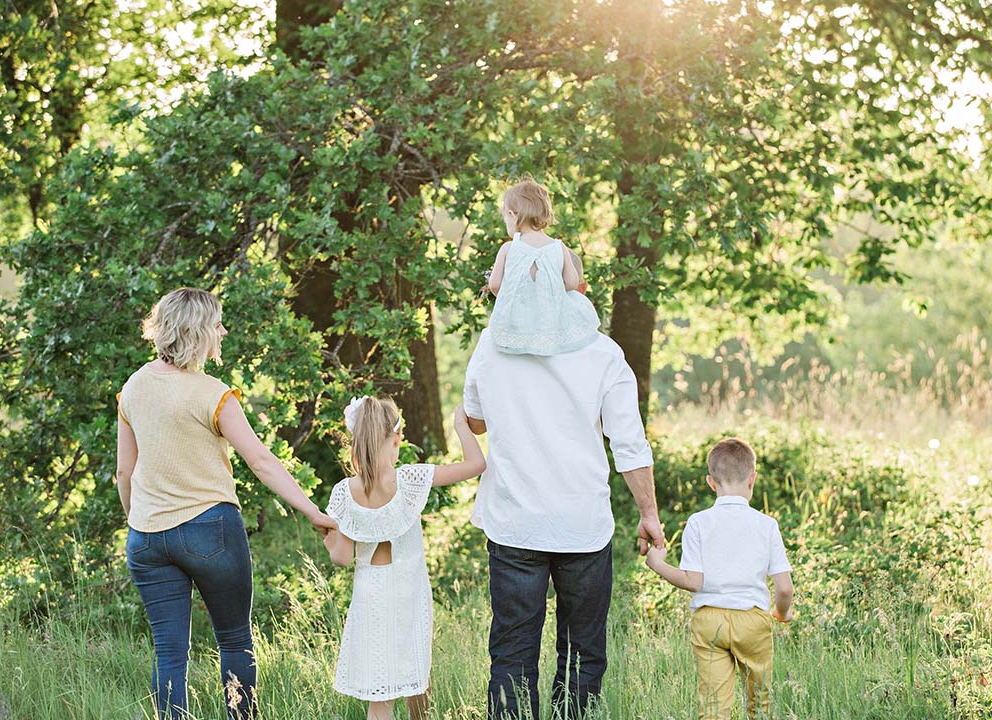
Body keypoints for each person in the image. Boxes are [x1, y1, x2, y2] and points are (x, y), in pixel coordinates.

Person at [116, 287, 336, 720]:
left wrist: (138, 524)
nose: (223, 331)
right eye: (217, 324)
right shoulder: (212, 393)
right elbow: (260, 460)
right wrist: (311, 510)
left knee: (169, 654)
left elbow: (125, 473)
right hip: (210, 529)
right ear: (197, 331)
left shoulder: (133, 388)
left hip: (147, 537)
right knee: (234, 640)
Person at [463, 277, 664, 720]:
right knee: (582, 653)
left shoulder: (492, 344)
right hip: (582, 523)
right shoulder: (602, 352)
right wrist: (648, 513)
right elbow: (628, 444)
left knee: (512, 653)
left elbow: (474, 419)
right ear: (575, 288)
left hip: (514, 521)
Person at [323, 398, 487, 720]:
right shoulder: (409, 480)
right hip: (409, 593)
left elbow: (341, 558)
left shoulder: (344, 493)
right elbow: (476, 465)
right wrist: (459, 426)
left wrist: (330, 539)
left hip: (370, 597)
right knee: (416, 674)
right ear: (396, 439)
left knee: (381, 699)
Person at [644, 437, 794, 720]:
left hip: (709, 621)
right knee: (759, 703)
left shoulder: (698, 522)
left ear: (711, 483)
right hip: (752, 621)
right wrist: (781, 613)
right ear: (753, 479)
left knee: (713, 707)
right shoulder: (767, 525)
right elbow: (784, 588)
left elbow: (693, 582)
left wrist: (658, 565)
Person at [485, 179, 601, 356]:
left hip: (518, 321)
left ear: (512, 214)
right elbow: (571, 283)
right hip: (550, 322)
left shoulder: (508, 248)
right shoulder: (559, 247)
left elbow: (494, 285)